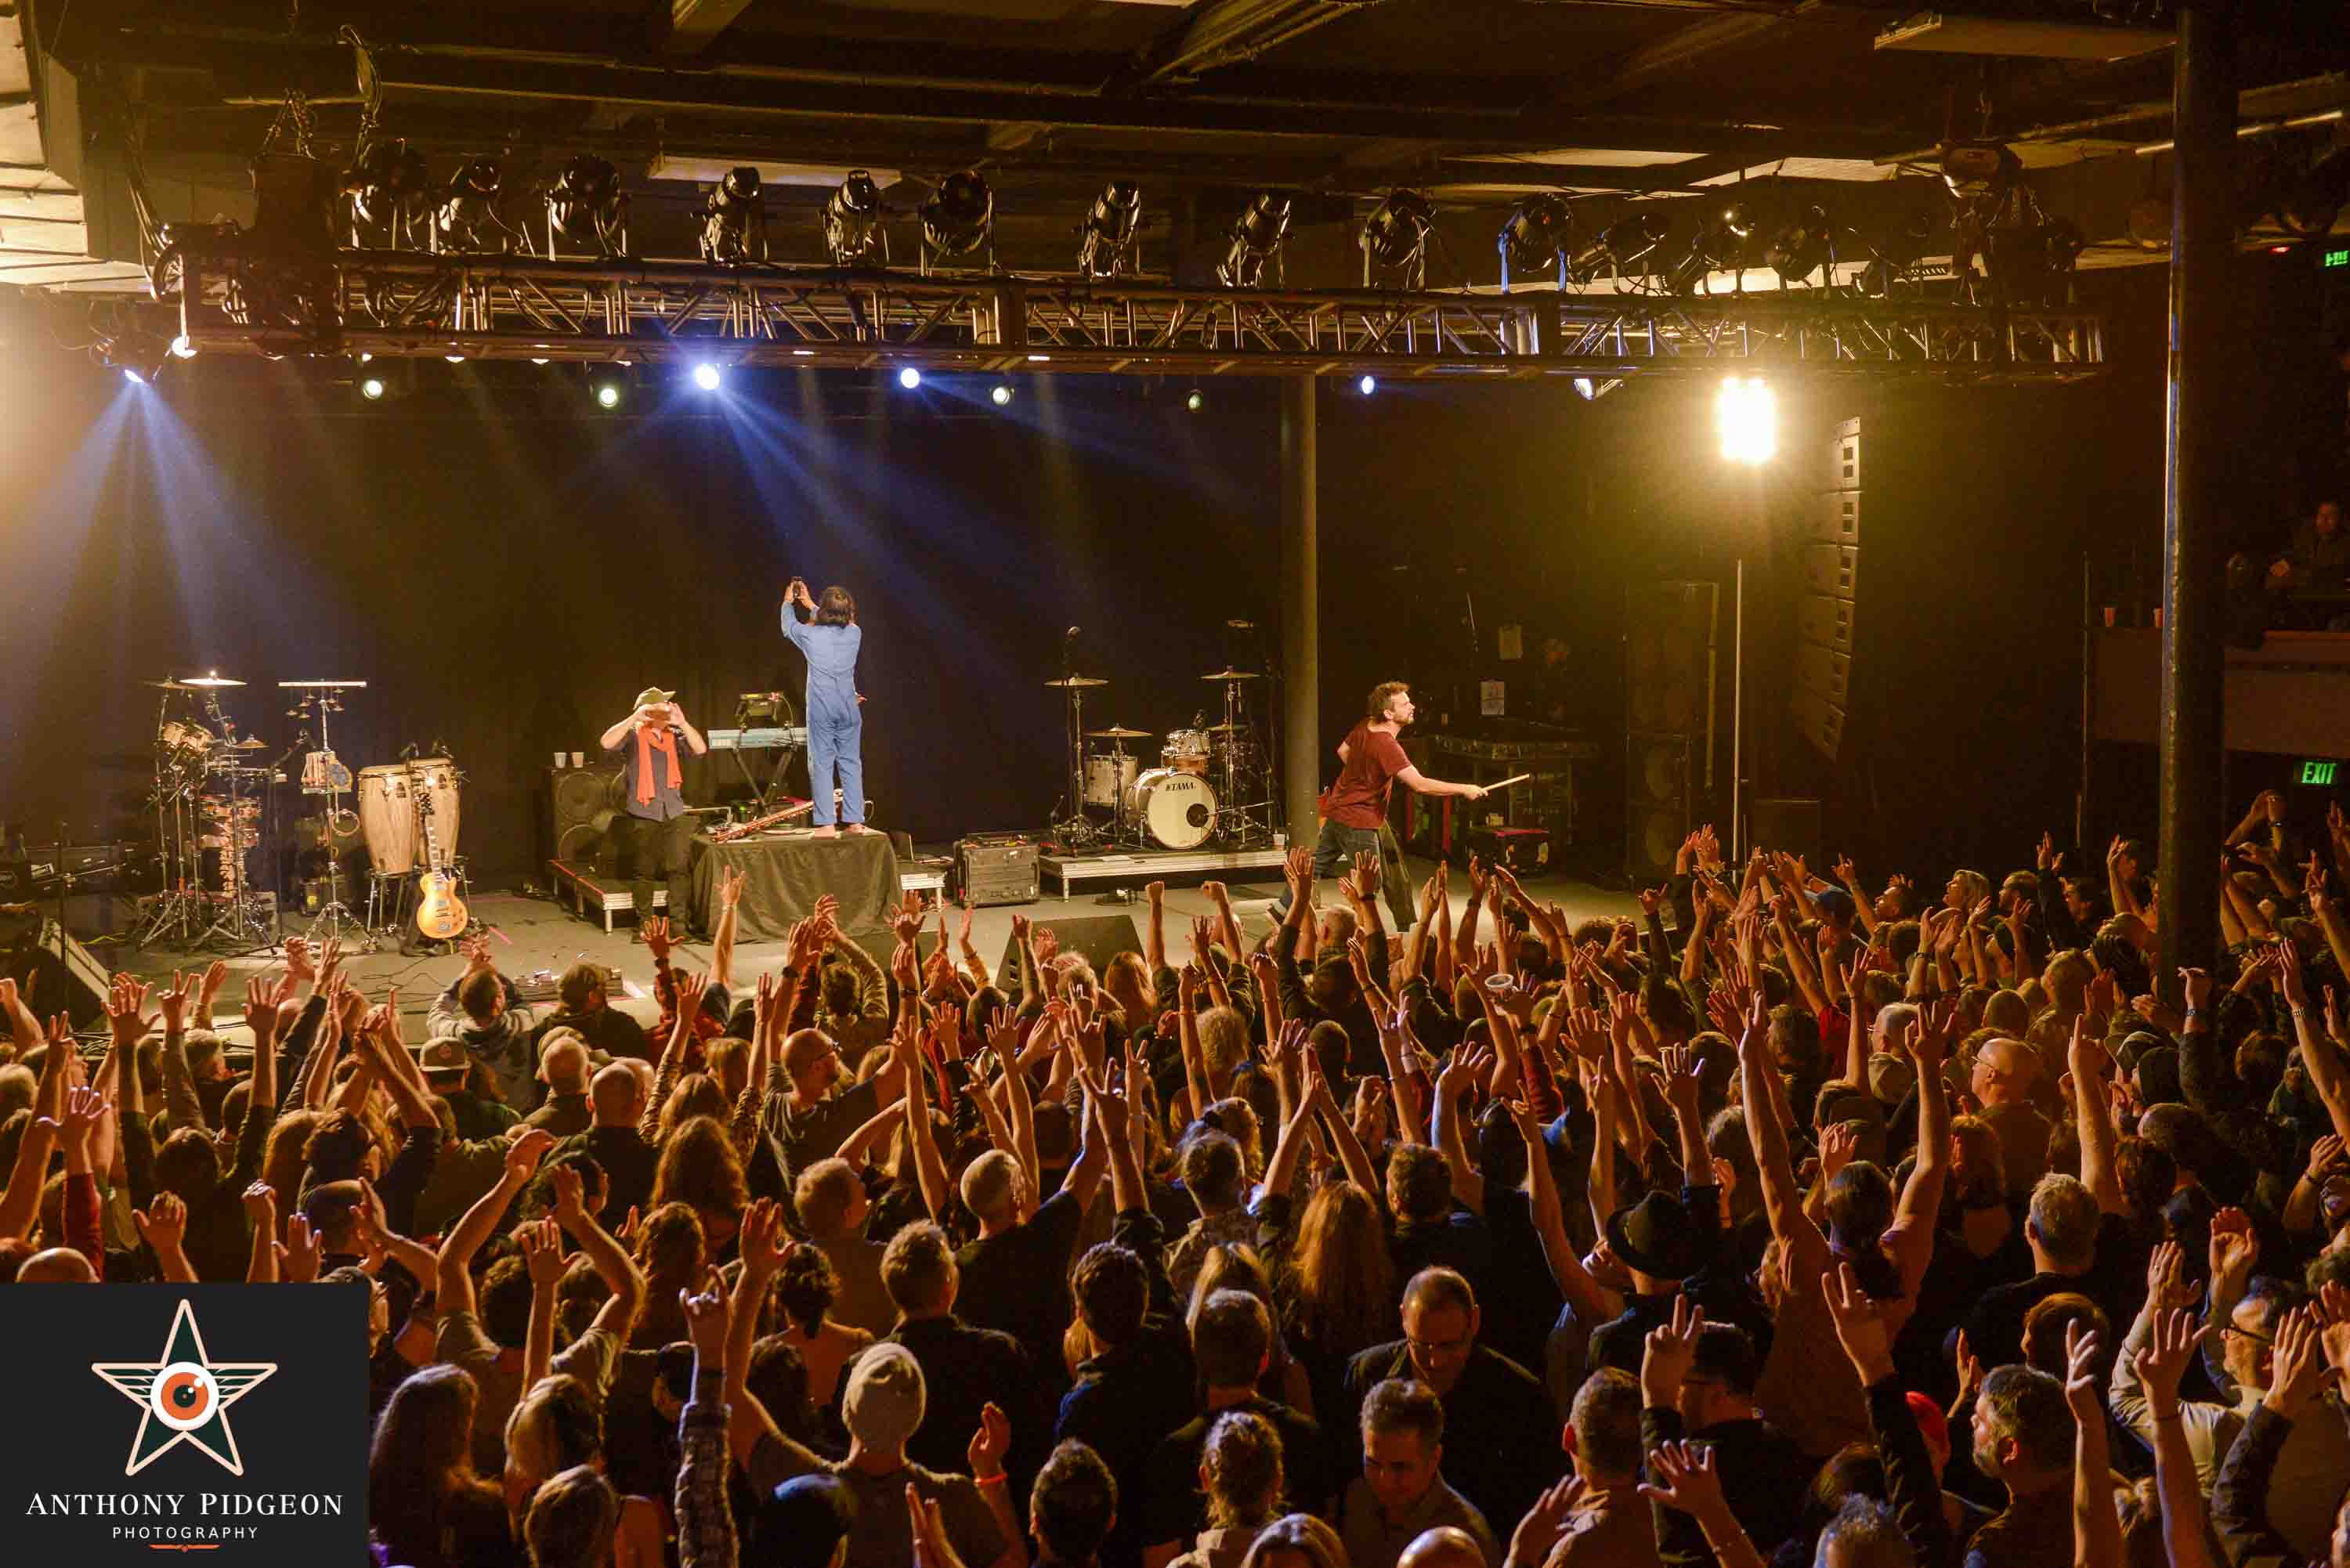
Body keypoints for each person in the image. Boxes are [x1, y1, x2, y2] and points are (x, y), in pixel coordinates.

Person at [1268, 681, 1486, 929]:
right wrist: (1465, 789)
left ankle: (1280, 911)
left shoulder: (1365, 725)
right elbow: (1420, 785)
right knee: (1371, 881)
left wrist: (1365, 774)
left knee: (1316, 866)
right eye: (1405, 704)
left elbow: (1343, 752)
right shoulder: (1387, 745)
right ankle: (1354, 930)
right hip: (1359, 819)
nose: (1412, 706)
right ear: (1388, 713)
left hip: (1339, 809)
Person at [1339, 1378, 1499, 1568]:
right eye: (1373, 1463)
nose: (1384, 1481)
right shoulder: (1357, 1498)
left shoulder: (1467, 1536)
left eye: (1400, 1467)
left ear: (1434, 1459)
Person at [598, 688, 709, 939]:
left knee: (679, 869)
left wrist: (684, 723)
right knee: (644, 871)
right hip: (644, 811)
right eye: (663, 706)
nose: (668, 709)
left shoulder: (675, 736)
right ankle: (645, 924)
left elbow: (700, 749)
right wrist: (634, 717)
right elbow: (606, 742)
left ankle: (678, 924)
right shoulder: (634, 736)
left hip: (674, 810)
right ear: (649, 710)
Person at [783, 576, 868, 839]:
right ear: (849, 612)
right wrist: (811, 604)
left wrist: (790, 601)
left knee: (821, 763)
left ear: (825, 610)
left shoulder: (810, 635)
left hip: (822, 709)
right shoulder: (855, 633)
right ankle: (855, 822)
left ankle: (827, 824)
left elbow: (788, 627)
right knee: (851, 763)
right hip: (849, 708)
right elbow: (842, 619)